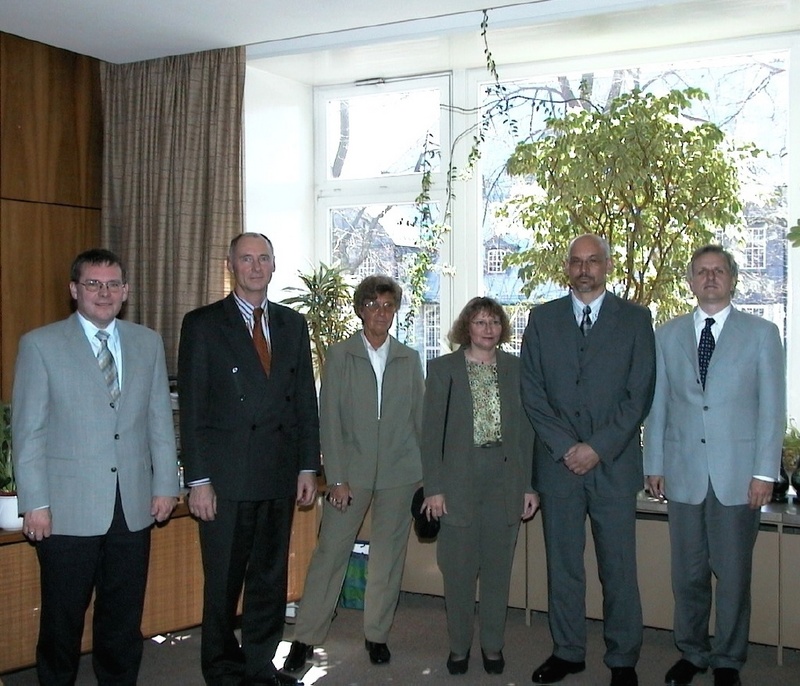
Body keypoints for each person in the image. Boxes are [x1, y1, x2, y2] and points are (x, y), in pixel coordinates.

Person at [11, 248, 179, 685]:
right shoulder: (40, 344)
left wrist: (165, 485)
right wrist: (35, 503)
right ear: (74, 290)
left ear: (124, 291)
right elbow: (29, 431)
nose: (103, 293)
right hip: (66, 510)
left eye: (112, 285)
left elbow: (160, 420)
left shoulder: (147, 343)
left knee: (123, 621)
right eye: (93, 284)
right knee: (62, 622)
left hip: (133, 506)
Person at [177, 232, 319, 686]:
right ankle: (221, 670)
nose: (255, 267)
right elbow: (193, 407)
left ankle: (259, 665)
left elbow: (303, 402)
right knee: (222, 583)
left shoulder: (292, 324)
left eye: (263, 259)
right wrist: (198, 479)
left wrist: (306, 467)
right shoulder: (202, 324)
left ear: (274, 266)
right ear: (230, 266)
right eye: (246, 259)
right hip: (225, 479)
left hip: (277, 474)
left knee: (269, 579)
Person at [644, 245, 785, 686]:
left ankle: (727, 659)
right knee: (686, 574)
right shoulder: (666, 335)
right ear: (690, 280)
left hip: (739, 478)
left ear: (732, 278)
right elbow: (658, 405)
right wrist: (654, 462)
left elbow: (772, 410)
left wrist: (765, 472)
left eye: (718, 271)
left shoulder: (761, 334)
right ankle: (692, 651)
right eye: (702, 272)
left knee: (733, 574)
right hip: (683, 474)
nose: (710, 278)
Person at [520, 234, 655, 686]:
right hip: (558, 469)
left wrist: (596, 447)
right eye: (576, 262)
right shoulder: (541, 320)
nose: (584, 269)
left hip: (613, 466)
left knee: (618, 567)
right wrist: (565, 448)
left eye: (592, 261)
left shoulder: (635, 320)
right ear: (567, 267)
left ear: (607, 266)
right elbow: (533, 394)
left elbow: (639, 395)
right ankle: (568, 651)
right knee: (563, 566)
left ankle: (622, 659)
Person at [283, 274, 424, 673]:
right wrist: (338, 477)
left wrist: (426, 476)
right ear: (360, 309)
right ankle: (306, 638)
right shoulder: (340, 356)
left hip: (401, 473)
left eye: (388, 306)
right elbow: (330, 420)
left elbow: (420, 420)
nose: (381, 312)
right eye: (374, 305)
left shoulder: (408, 358)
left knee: (388, 557)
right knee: (330, 553)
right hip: (351, 474)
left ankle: (376, 634)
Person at [419, 296, 538, 676]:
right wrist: (433, 488)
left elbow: (527, 435)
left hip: (505, 483)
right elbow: (430, 435)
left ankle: (492, 645)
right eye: (480, 322)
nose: (488, 329)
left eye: (494, 322)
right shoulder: (443, 370)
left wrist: (529, 486)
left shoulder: (517, 369)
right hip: (456, 485)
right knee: (458, 574)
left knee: (498, 574)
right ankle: (458, 648)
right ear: (466, 327)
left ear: (502, 328)